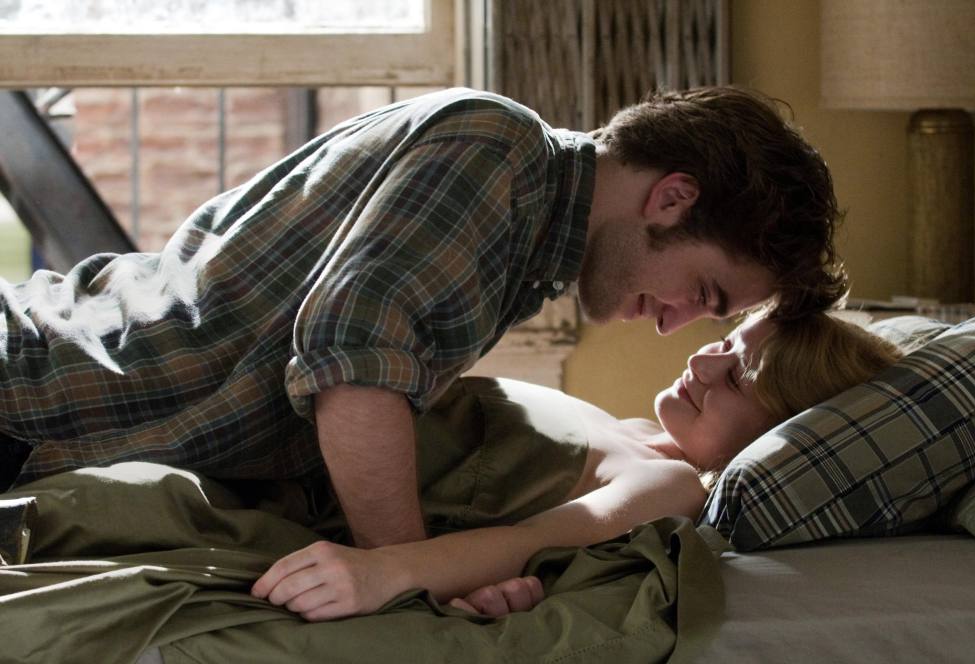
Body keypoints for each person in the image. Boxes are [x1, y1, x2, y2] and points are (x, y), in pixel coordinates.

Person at [0, 86, 846, 549]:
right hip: (37, 388)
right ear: (671, 199)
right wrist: (400, 575)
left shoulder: (525, 242)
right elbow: (351, 356)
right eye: (704, 293)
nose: (673, 326)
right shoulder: (499, 153)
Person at [251, 311, 903, 620]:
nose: (702, 362)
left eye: (736, 377)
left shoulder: (670, 483)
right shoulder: (639, 434)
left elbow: (528, 541)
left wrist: (384, 572)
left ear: (775, 433)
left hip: (290, 481)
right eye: (726, 341)